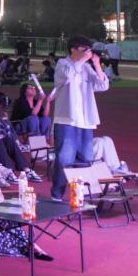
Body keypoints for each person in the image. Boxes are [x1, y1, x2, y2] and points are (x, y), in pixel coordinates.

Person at [50, 35, 111, 202]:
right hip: (67, 120)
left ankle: (79, 194)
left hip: (86, 120)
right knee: (64, 159)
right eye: (84, 49)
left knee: (86, 158)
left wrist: (97, 64)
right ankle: (57, 195)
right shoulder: (62, 64)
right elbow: (67, 76)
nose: (87, 53)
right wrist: (83, 60)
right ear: (73, 49)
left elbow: (103, 86)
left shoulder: (86, 67)